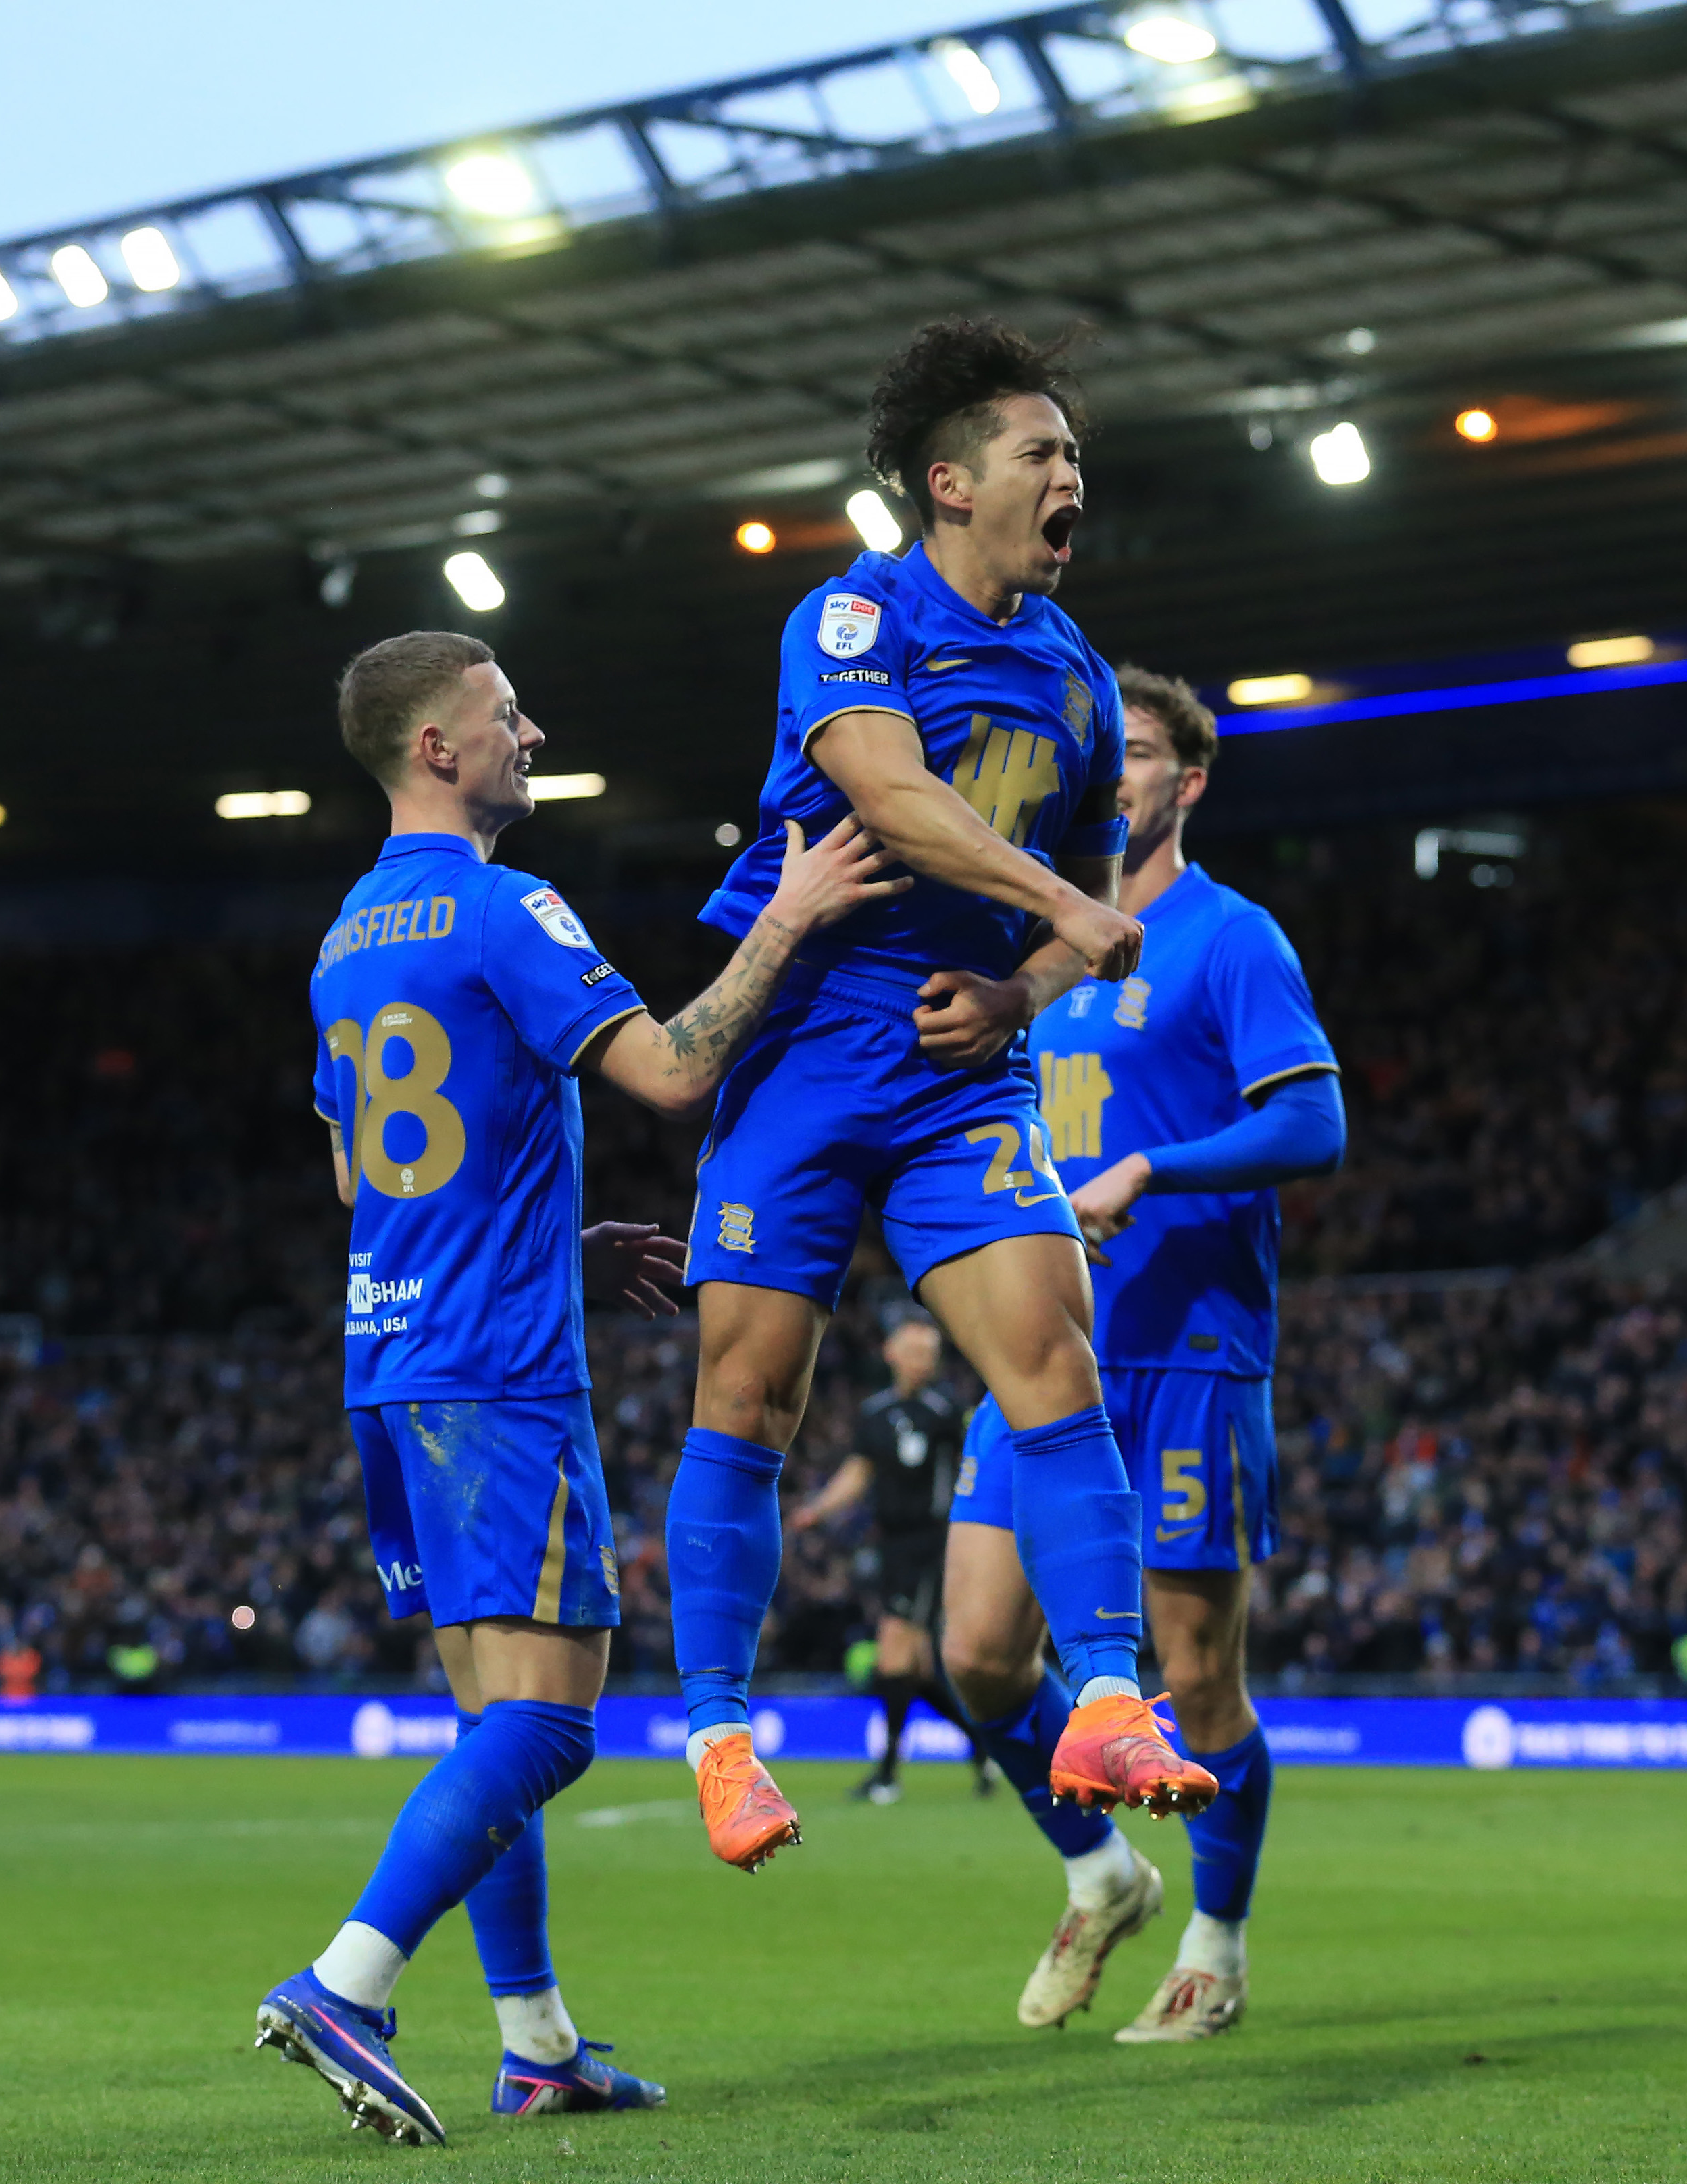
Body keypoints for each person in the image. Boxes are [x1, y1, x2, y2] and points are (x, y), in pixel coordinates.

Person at [255, 630, 899, 2145]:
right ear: (437, 747)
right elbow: (673, 1070)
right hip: (495, 1368)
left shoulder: (342, 938)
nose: (530, 730)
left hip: (391, 1355)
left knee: (493, 1715)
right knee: (551, 1725)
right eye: (504, 712)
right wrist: (790, 915)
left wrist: (554, 1235)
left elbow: (357, 1172)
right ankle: (347, 1980)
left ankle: (535, 2043)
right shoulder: (505, 905)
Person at [663, 317, 1214, 1877]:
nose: (1071, 476)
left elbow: (1080, 913)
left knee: (1051, 1355)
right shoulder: (852, 614)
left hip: (963, 1072)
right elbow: (888, 791)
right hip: (807, 1038)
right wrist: (1067, 909)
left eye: (1075, 454)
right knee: (750, 1392)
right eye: (1042, 453)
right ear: (950, 481)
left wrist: (1019, 991)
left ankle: (1104, 1696)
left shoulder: (1080, 677)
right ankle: (719, 1735)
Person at [943, 666, 1343, 2041]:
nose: (1114, 774)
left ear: (1190, 781)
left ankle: (1215, 1944)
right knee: (978, 1654)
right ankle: (1101, 1869)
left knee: (1194, 1674)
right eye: (1099, 753)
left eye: (1142, 753)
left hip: (1184, 1354)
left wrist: (1147, 1168)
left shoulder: (1229, 937)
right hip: (1036, 1345)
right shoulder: (1034, 945)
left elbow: (1314, 1124)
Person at [786, 1313, 991, 1802]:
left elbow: (975, 1470)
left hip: (932, 1542)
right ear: (891, 1354)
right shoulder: (876, 1412)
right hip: (892, 1545)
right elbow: (859, 1472)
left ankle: (887, 1773)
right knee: (914, 1671)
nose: (922, 1361)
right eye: (914, 1351)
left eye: (930, 1353)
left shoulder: (948, 1411)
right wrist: (818, 1510)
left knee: (894, 1650)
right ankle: (983, 1746)